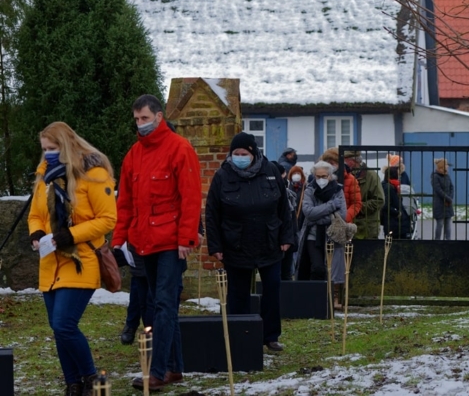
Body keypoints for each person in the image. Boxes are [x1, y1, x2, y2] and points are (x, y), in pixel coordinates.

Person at [112, 94, 202, 392]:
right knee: (161, 303)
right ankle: (175, 367)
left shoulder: (180, 148)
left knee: (163, 303)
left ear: (159, 117)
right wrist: (119, 239)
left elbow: (190, 197)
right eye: (137, 119)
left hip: (170, 241)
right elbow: (125, 202)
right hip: (143, 240)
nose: (141, 124)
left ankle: (158, 371)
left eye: (145, 119)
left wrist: (186, 238)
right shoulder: (133, 154)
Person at [27, 122, 117, 396]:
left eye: (52, 148)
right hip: (51, 262)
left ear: (66, 145)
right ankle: (73, 383)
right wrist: (38, 232)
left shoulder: (94, 173)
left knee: (65, 324)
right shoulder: (45, 176)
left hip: (81, 259)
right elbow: (35, 215)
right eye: (44, 149)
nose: (48, 154)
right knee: (58, 328)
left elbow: (107, 219)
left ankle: (91, 378)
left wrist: (71, 235)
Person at [206, 132, 295, 352]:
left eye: (243, 153)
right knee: (238, 293)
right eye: (235, 153)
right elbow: (212, 213)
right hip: (236, 244)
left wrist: (286, 237)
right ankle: (240, 334)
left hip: (269, 241)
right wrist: (215, 246)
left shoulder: (271, 172)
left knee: (272, 288)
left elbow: (284, 208)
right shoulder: (222, 176)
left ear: (253, 153)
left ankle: (270, 336)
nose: (239, 157)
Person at [296, 161, 347, 296]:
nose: (321, 179)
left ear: (330, 176)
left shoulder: (338, 190)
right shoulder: (309, 190)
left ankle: (331, 298)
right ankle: (315, 296)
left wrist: (318, 217)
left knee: (332, 269)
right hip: (313, 235)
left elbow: (342, 215)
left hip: (333, 235)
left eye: (324, 176)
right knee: (317, 267)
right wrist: (331, 206)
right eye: (318, 176)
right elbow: (308, 213)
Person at [320, 148, 361, 307]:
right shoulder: (317, 179)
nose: (331, 165)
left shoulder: (350, 179)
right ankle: (322, 295)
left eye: (334, 162)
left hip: (340, 227)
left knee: (338, 261)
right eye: (328, 162)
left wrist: (344, 219)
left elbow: (356, 203)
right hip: (321, 224)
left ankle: (336, 296)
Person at [344, 151, 384, 240]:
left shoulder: (371, 176)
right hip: (349, 226)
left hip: (367, 227)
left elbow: (379, 200)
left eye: (345, 160)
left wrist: (358, 208)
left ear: (353, 161)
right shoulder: (346, 176)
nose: (344, 163)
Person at [283, 165, 307, 280]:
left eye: (298, 173)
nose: (296, 176)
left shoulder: (305, 188)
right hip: (293, 224)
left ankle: (296, 271)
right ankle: (292, 271)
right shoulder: (289, 188)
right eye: (293, 173)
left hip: (301, 222)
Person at [381, 167, 412, 239]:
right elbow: (386, 205)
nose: (399, 176)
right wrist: (397, 213)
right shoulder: (388, 187)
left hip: (396, 223)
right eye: (398, 174)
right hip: (394, 222)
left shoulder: (393, 186)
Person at [432, 158, 454, 241]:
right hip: (439, 203)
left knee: (448, 222)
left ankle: (448, 240)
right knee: (440, 223)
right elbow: (438, 190)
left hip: (448, 203)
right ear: (442, 166)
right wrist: (447, 198)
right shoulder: (435, 176)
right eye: (446, 165)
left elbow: (452, 187)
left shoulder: (447, 175)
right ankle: (437, 240)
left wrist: (450, 198)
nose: (448, 166)